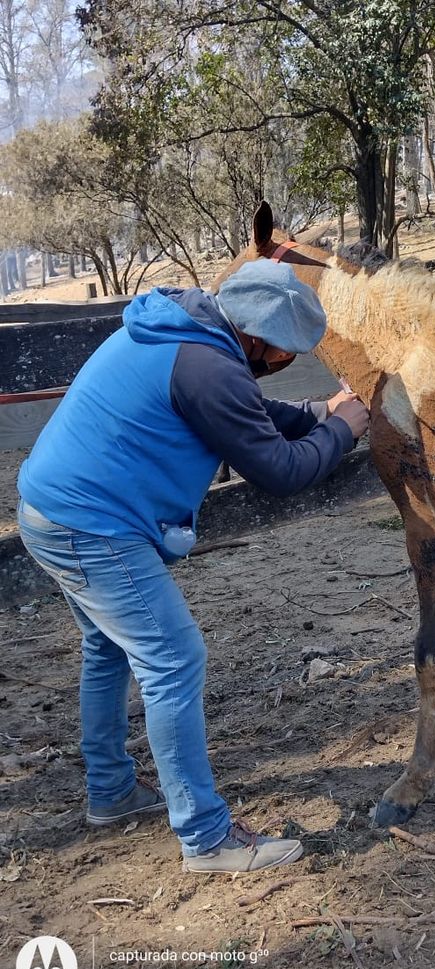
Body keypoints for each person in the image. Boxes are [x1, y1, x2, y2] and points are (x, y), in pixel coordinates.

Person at [16, 258, 369, 874]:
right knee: (174, 659)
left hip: (51, 511)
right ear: (258, 339)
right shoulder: (208, 366)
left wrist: (316, 414)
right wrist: (341, 430)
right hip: (93, 527)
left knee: (108, 650)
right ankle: (207, 839)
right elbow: (281, 471)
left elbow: (245, 412)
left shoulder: (184, 332)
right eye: (287, 352)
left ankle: (112, 792)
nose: (286, 361)